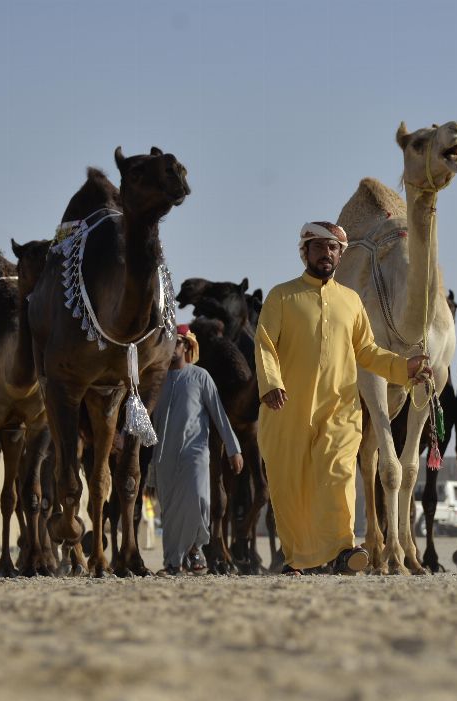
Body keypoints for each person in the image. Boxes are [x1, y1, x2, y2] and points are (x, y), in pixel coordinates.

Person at [255, 221, 432, 575]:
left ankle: (341, 551)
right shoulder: (281, 296)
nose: (326, 253)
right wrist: (271, 383)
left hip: (339, 410)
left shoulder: (350, 301)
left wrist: (404, 367)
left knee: (338, 477)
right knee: (290, 488)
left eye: (333, 248)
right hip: (286, 409)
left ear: (340, 254)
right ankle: (297, 559)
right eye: (319, 246)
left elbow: (367, 351)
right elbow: (264, 343)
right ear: (305, 252)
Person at [149, 324, 243, 576]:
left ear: (187, 346)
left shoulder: (201, 377)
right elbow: (142, 412)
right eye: (168, 343)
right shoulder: (156, 379)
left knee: (199, 498)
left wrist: (234, 449)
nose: (172, 348)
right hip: (164, 454)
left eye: (177, 342)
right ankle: (173, 563)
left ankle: (196, 548)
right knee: (169, 511)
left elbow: (219, 415)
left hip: (196, 451)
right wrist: (123, 436)